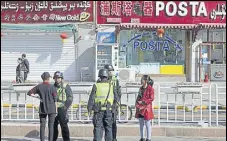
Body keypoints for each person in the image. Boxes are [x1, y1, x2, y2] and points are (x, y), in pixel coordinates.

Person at [87, 69, 119, 141]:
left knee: (98, 127)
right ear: (107, 76)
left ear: (100, 76)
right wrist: (114, 107)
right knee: (108, 127)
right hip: (109, 110)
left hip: (98, 111)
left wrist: (89, 108)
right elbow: (116, 98)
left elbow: (91, 98)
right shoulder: (111, 86)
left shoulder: (96, 85)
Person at [27, 72, 57, 141]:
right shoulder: (52, 87)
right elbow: (55, 99)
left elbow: (29, 93)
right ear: (49, 78)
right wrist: (56, 109)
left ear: (42, 78)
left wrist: (37, 96)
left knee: (42, 126)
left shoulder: (39, 86)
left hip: (42, 108)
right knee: (51, 126)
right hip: (52, 108)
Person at [53, 71, 73, 141]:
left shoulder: (65, 86)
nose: (57, 79)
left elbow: (70, 97)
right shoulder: (52, 87)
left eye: (58, 78)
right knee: (53, 126)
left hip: (62, 109)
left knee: (64, 126)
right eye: (55, 78)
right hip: (54, 109)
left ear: (61, 78)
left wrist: (65, 107)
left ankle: (66, 139)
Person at [104, 64, 121, 141]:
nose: (110, 72)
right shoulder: (102, 79)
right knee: (106, 123)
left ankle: (114, 137)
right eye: (109, 71)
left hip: (113, 105)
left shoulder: (115, 80)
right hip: (105, 105)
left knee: (113, 122)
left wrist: (116, 101)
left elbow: (118, 92)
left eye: (111, 71)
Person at [135, 75, 154, 141]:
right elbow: (138, 97)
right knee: (141, 124)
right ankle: (142, 137)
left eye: (142, 79)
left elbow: (151, 98)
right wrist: (137, 103)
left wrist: (143, 102)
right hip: (140, 108)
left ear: (146, 81)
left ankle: (148, 138)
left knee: (147, 124)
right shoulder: (140, 88)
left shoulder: (150, 88)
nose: (141, 80)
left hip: (147, 109)